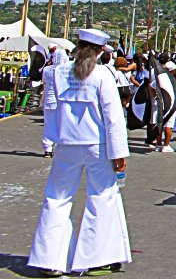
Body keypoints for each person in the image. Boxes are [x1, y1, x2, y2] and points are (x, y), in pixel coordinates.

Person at [28, 28, 131, 277]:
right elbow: (114, 117)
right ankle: (97, 259)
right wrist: (119, 152)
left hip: (66, 144)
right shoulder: (102, 74)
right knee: (101, 198)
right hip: (97, 145)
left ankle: (50, 260)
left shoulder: (57, 72)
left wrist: (53, 140)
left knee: (57, 198)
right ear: (98, 51)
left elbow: (49, 108)